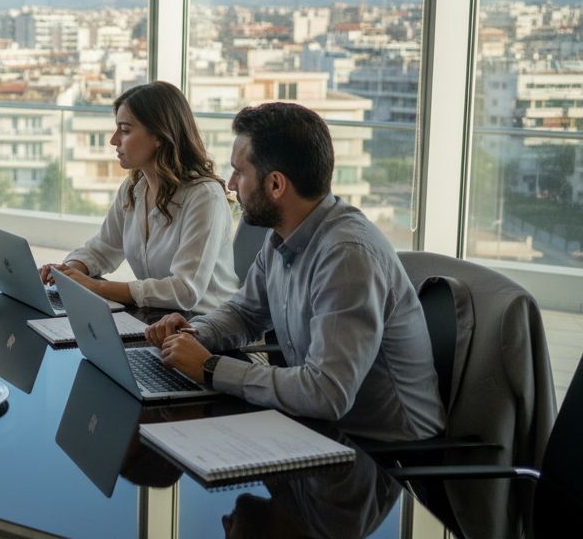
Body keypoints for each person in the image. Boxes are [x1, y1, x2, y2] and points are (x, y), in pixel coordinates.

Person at [146, 102, 444, 442]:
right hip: (317, 429)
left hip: (384, 453)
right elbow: (245, 313)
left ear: (275, 185)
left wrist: (211, 368)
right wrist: (193, 335)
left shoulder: (346, 257)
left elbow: (326, 392)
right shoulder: (283, 234)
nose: (230, 184)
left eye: (239, 172)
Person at [40, 81, 238, 312]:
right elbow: (102, 248)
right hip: (157, 318)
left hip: (204, 326)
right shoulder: (134, 188)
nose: (114, 140)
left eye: (125, 130)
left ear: (159, 136)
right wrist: (69, 271)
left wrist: (95, 287)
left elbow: (185, 291)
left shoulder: (204, 197)